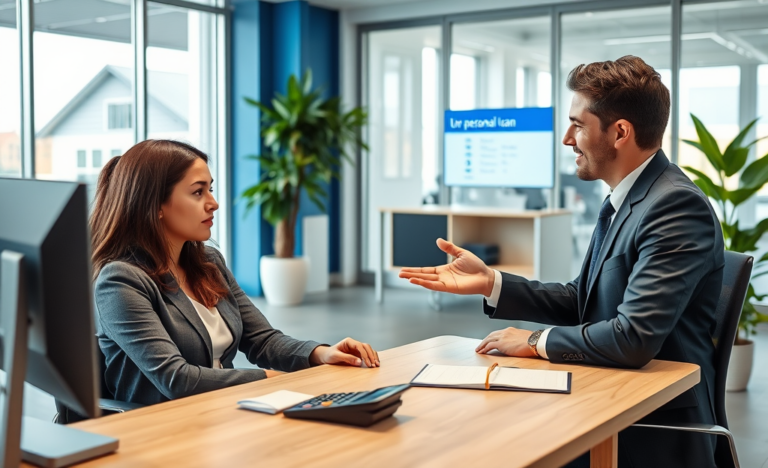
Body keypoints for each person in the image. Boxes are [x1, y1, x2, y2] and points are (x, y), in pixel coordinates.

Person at [399, 56, 723, 468]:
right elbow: (582, 299)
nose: (568, 138)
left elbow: (633, 337)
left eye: (578, 125)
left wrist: (535, 341)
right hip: (608, 392)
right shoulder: (629, 199)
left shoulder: (674, 206)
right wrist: (491, 282)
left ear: (620, 132)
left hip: (649, 427)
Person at [91, 139, 379, 406]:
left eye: (210, 189)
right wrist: (267, 380)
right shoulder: (120, 281)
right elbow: (175, 378)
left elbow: (263, 340)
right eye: (198, 192)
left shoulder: (209, 263)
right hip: (163, 426)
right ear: (155, 205)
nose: (213, 203)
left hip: (224, 412)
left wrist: (321, 353)